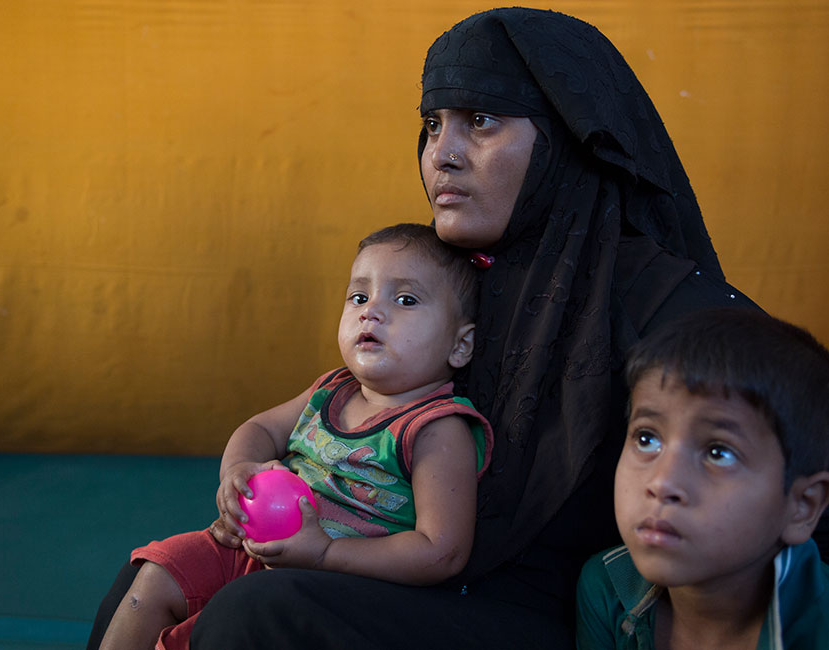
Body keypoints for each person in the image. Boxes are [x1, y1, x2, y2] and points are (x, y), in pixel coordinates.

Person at [88, 8, 774, 649]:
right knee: (151, 578)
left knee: (256, 613)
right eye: (432, 122)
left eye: (480, 119)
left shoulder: (660, 302)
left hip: (541, 613)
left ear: (566, 141)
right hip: (407, 574)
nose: (442, 152)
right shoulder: (452, 279)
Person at [96, 223, 493, 650]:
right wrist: (237, 472)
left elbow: (441, 551)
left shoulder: (436, 428)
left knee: (206, 632)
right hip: (251, 550)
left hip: (329, 582)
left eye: (406, 299)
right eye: (359, 296)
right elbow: (261, 428)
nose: (371, 312)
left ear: (461, 345)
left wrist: (325, 553)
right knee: (152, 580)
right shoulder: (330, 391)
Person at [576, 307, 829, 649]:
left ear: (802, 506)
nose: (662, 483)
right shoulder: (609, 587)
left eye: (718, 453)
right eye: (646, 438)